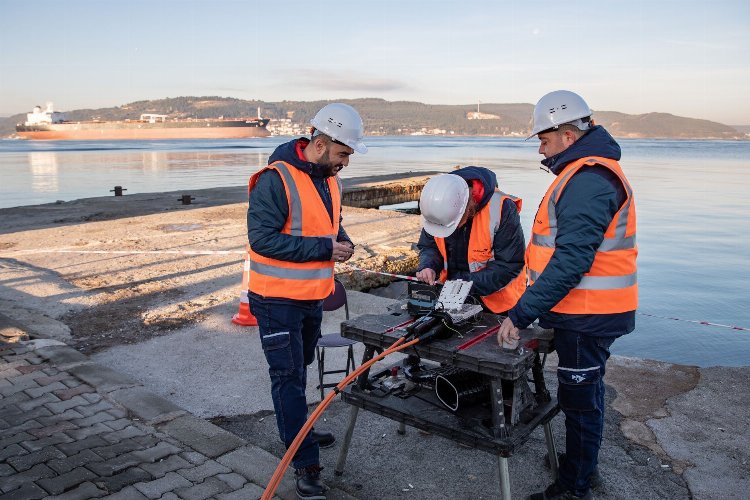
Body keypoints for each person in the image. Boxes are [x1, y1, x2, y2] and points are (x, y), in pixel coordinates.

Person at [497, 90, 637, 500]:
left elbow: (571, 261)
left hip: (587, 312)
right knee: (587, 393)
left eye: (543, 139)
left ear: (567, 135)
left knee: (578, 400)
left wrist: (520, 314)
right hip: (587, 311)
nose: (540, 147)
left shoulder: (588, 178)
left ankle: (573, 487)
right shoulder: (584, 174)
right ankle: (583, 464)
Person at [246, 103, 366, 499]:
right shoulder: (274, 180)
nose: (346, 162)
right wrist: (324, 248)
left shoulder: (328, 179)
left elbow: (330, 222)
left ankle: (302, 431)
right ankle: (304, 462)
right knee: (288, 379)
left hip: (311, 297)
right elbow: (262, 240)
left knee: (301, 369)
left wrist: (342, 240)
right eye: (343, 153)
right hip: (275, 299)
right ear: (319, 144)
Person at [416, 166, 526, 314]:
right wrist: (428, 266)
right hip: (451, 296)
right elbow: (429, 246)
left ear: (467, 207)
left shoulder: (502, 208)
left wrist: (465, 284)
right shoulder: (438, 206)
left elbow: (509, 264)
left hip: (498, 304)